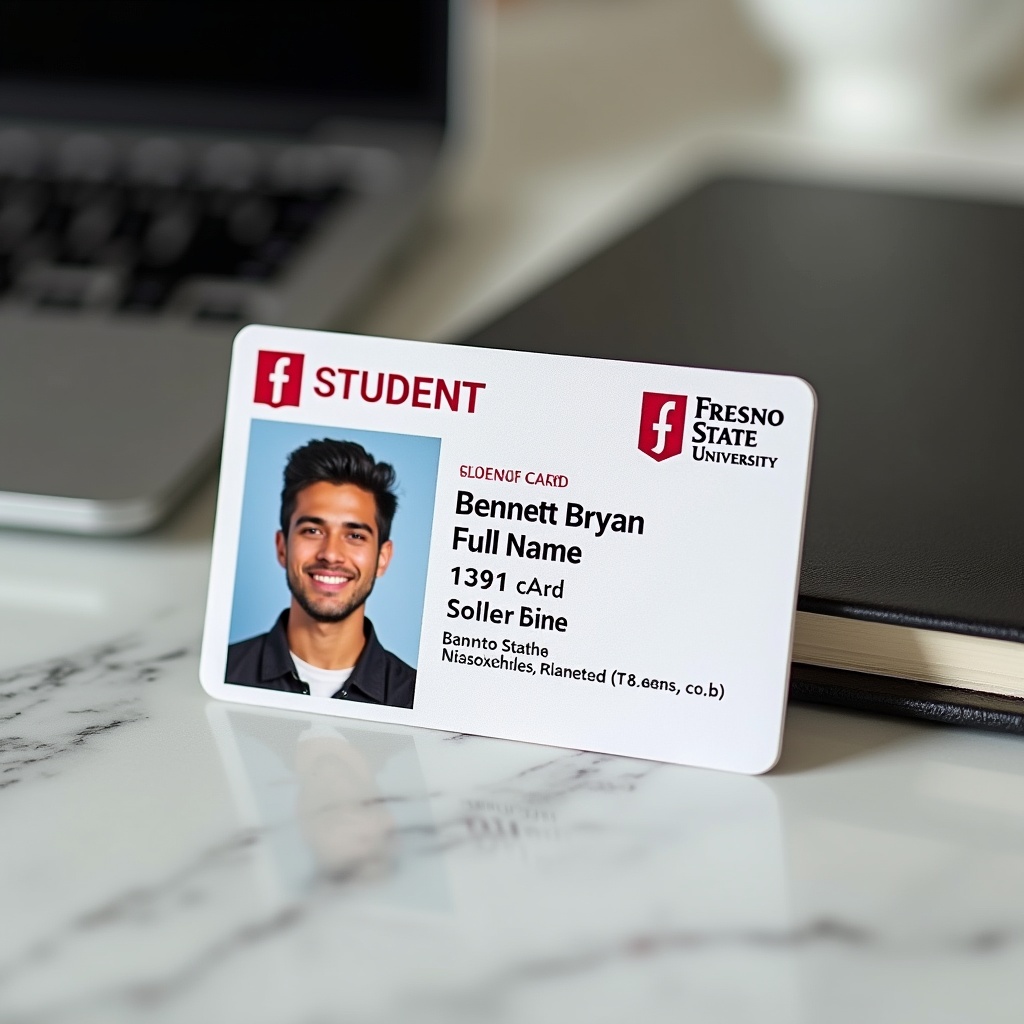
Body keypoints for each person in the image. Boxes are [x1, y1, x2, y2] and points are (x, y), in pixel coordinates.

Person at [227, 438, 416, 708]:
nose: (330, 554)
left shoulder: (415, 700)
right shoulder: (223, 673)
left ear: (382, 558)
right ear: (282, 547)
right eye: (312, 531)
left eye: (354, 535)